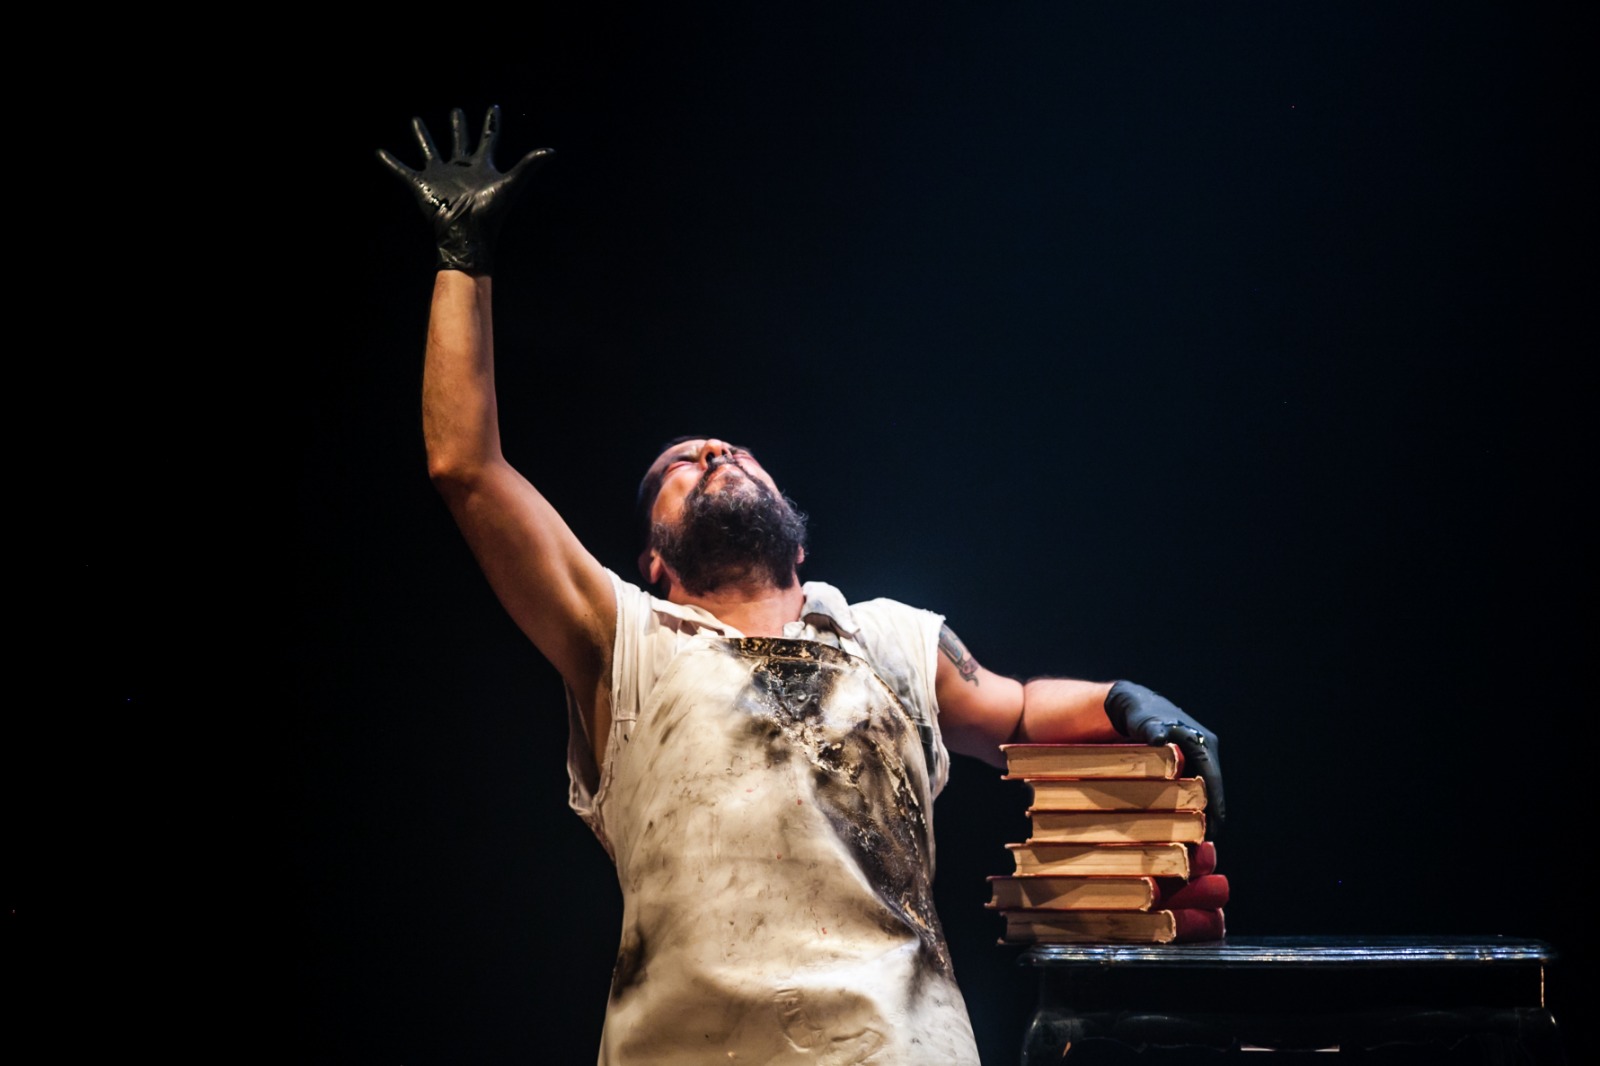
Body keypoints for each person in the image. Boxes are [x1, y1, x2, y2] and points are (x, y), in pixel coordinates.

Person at [378, 104, 1224, 1066]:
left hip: (898, 1048)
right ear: (654, 564)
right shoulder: (625, 642)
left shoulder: (888, 637)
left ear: (799, 537)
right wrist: (463, 257)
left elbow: (1019, 712)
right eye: (679, 467)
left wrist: (1124, 701)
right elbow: (467, 468)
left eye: (732, 452)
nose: (711, 451)